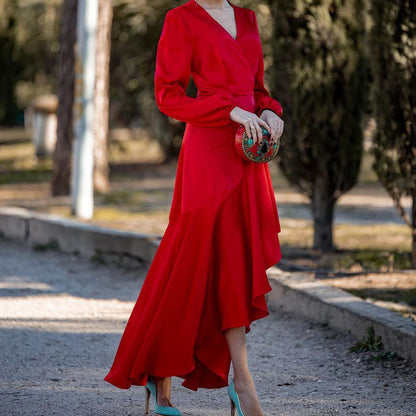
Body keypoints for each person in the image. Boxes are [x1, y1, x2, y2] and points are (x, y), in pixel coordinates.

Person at [104, 1, 284, 415]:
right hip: (207, 150)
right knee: (189, 262)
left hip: (246, 154)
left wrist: (270, 112)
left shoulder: (248, 18)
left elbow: (258, 89)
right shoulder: (180, 19)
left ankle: (241, 378)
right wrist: (228, 110)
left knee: (236, 264)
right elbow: (168, 96)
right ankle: (158, 370)